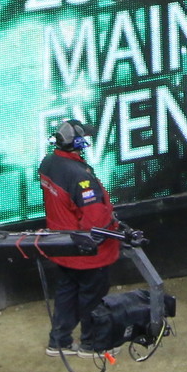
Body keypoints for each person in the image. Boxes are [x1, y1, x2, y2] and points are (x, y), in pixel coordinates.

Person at [37, 119, 122, 355]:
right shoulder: (79, 176)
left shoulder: (48, 162)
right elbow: (95, 221)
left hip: (62, 245)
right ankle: (92, 344)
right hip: (87, 252)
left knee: (67, 292)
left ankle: (59, 341)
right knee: (92, 297)